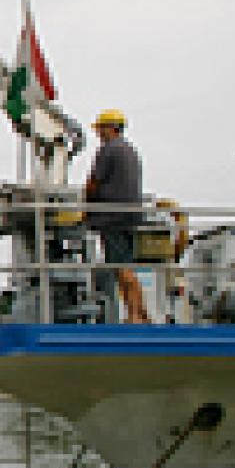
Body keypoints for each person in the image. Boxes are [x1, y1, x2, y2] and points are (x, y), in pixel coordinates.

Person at [85, 109, 150, 324]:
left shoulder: (108, 150)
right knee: (127, 267)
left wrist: (84, 207)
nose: (99, 133)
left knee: (120, 267)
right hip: (131, 216)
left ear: (110, 128)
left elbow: (94, 183)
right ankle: (140, 312)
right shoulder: (131, 151)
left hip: (112, 217)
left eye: (101, 129)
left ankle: (134, 316)